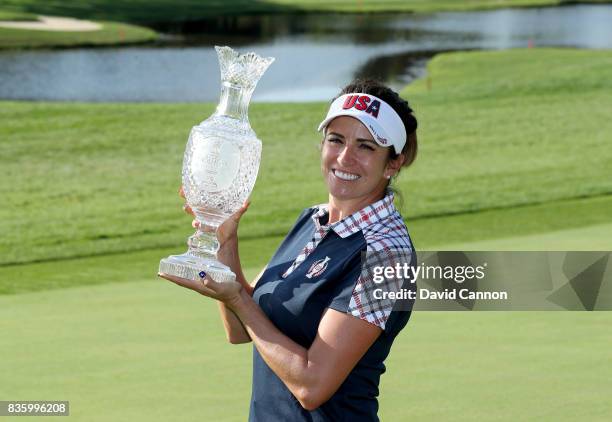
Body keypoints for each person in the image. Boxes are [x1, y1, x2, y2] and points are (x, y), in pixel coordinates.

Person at [159, 79, 419, 421]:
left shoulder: (388, 254)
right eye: (336, 140)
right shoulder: (312, 220)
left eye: (366, 147)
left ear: (393, 163)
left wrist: (237, 297)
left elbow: (312, 386)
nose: (344, 157)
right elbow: (240, 330)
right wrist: (226, 240)